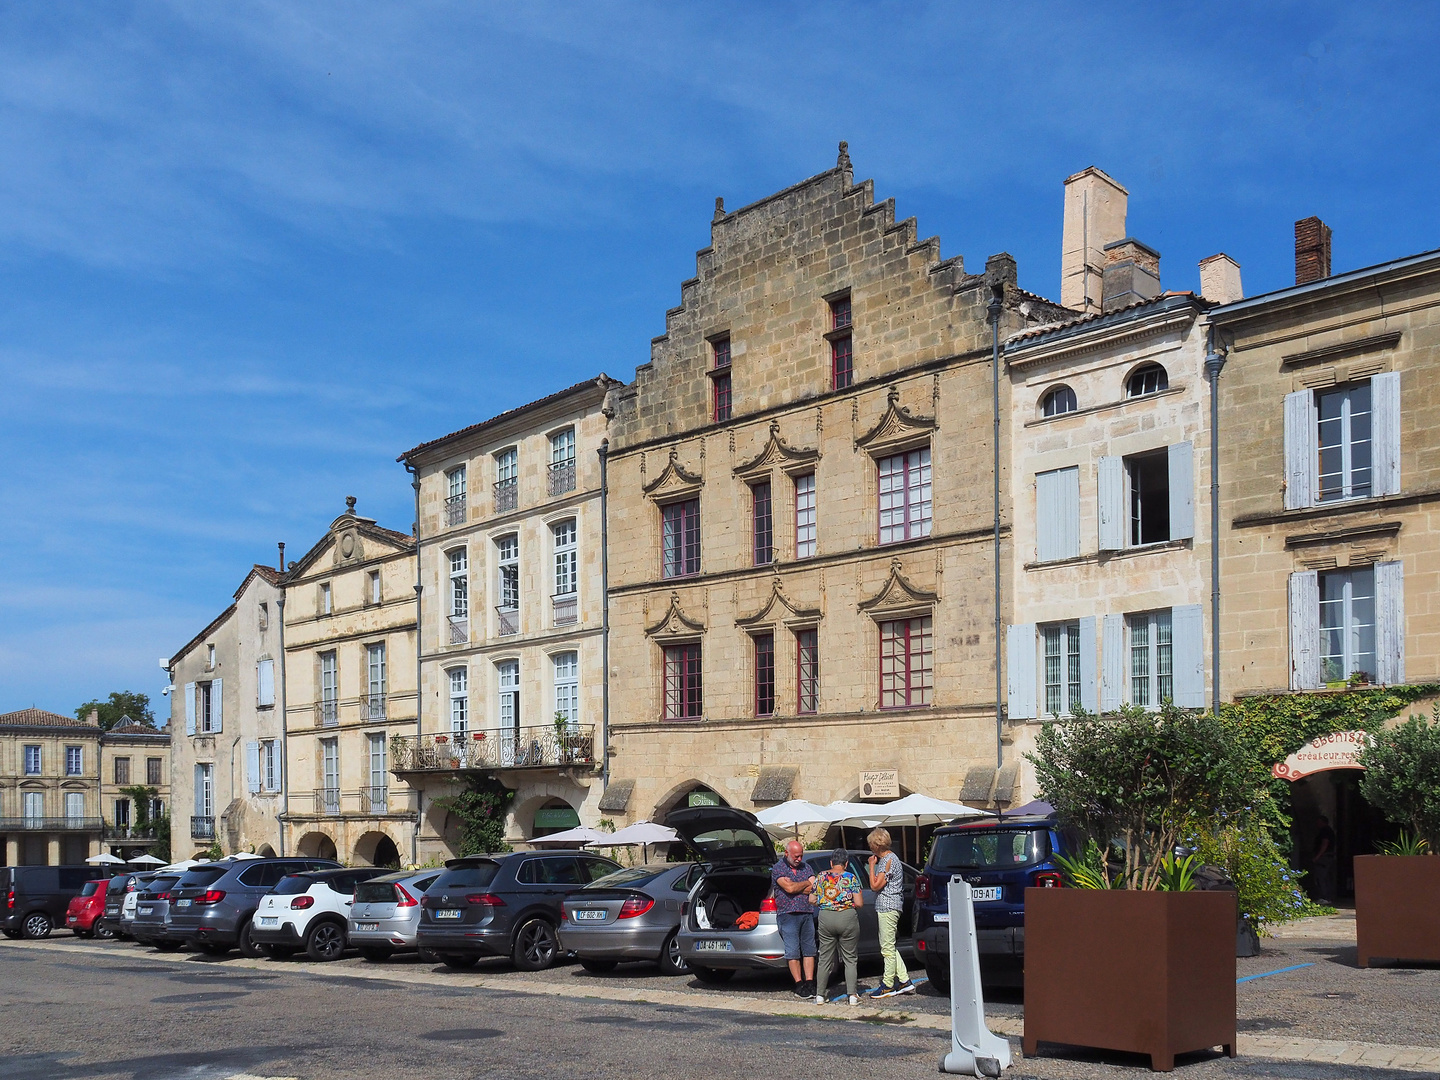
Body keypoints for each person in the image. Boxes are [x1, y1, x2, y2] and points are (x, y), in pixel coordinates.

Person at [866, 827, 916, 997]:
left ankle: (888, 983)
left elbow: (875, 885)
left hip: (888, 906)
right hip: (890, 905)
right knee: (890, 945)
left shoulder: (887, 860)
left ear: (876, 845)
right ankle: (904, 980)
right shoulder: (892, 858)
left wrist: (871, 866)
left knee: (886, 948)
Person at [812, 848, 863, 1006]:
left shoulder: (821, 877)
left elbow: (811, 899)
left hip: (826, 917)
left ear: (831, 862)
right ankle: (852, 995)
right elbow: (860, 903)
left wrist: (825, 901)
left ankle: (820, 995)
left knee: (825, 957)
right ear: (846, 863)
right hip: (847, 917)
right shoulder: (851, 877)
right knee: (850, 958)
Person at [771, 839, 817, 997]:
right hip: (788, 914)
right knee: (793, 951)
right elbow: (789, 888)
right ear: (786, 853)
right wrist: (804, 883)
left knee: (809, 949)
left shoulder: (807, 867)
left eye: (801, 856)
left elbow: (814, 888)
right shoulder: (778, 868)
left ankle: (810, 982)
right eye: (796, 856)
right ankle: (798, 984)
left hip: (807, 912)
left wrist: (797, 886)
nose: (799, 859)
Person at [1312, 814, 1337, 905]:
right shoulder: (1328, 831)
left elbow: (1324, 844)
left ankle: (1324, 897)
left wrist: (1317, 857)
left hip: (1324, 858)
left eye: (1318, 822)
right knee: (1325, 877)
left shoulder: (1325, 831)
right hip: (1327, 857)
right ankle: (1326, 897)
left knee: (1321, 877)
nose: (1317, 824)